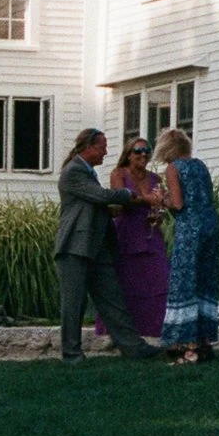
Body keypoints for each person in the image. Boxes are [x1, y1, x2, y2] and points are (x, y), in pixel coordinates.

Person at [56, 128, 164, 362]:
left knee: (113, 299)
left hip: (97, 246)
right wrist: (131, 195)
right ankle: (71, 354)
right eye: (103, 147)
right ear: (89, 148)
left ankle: (134, 348)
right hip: (75, 246)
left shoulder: (87, 172)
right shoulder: (73, 171)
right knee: (73, 303)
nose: (106, 152)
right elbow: (102, 196)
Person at [155, 128, 219, 362]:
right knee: (204, 279)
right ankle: (204, 340)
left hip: (190, 228)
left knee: (185, 280)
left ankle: (187, 342)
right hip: (210, 226)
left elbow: (179, 203)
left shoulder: (174, 168)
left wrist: (161, 198)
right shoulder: (200, 165)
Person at [104, 137, 171, 347]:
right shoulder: (119, 174)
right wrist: (146, 199)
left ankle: (156, 330)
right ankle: (118, 333)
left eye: (146, 151)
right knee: (125, 281)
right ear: (128, 153)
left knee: (158, 279)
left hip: (150, 232)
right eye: (138, 151)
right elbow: (122, 199)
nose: (143, 155)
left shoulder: (156, 178)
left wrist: (159, 213)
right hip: (127, 231)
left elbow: (159, 207)